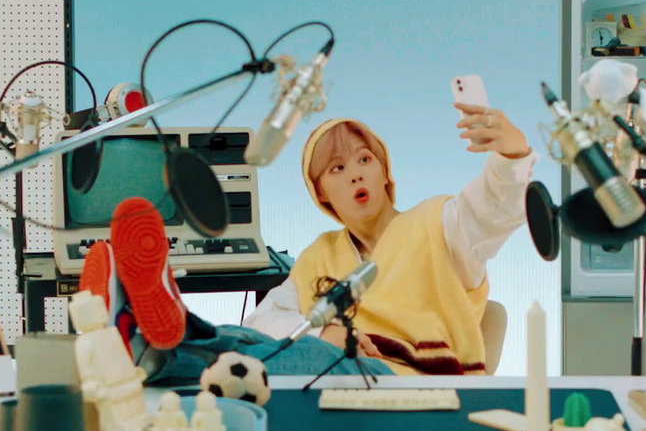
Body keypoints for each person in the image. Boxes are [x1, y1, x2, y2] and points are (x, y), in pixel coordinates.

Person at [88, 99, 536, 383]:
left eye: (364, 159)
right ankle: (151, 340)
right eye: (337, 168)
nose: (356, 172)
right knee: (242, 339)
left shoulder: (439, 225)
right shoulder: (319, 255)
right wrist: (327, 330)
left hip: (404, 379)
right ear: (322, 192)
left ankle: (155, 337)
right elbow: (265, 325)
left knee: (304, 354)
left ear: (384, 172)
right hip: (333, 362)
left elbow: (493, 210)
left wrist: (513, 155)